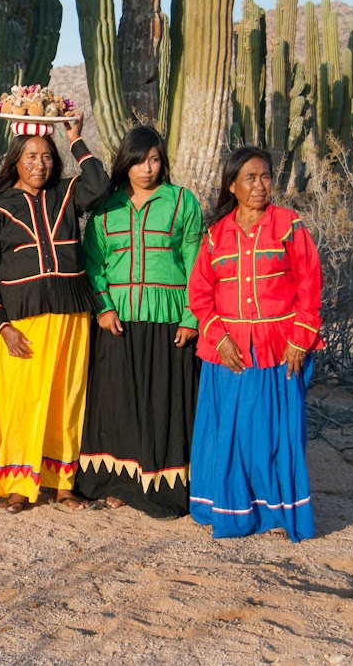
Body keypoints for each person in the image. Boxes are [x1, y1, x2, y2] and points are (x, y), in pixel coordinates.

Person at [0, 114, 110, 513]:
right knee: (25, 401)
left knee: (66, 399)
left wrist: (75, 139)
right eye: (31, 155)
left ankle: (62, 483)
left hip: (70, 316)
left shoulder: (66, 193)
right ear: (15, 158)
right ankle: (19, 484)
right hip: (22, 322)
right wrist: (2, 326)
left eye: (48, 156)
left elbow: (99, 186)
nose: (40, 164)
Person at [187, 147, 323, 542]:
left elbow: (309, 284)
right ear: (233, 185)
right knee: (230, 433)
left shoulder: (288, 224)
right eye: (250, 178)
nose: (260, 186)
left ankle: (277, 514)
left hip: (279, 349)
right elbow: (200, 294)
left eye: (265, 177)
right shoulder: (216, 235)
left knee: (274, 434)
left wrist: (301, 338)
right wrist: (219, 336)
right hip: (227, 351)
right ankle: (231, 510)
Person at [72, 126, 203, 520]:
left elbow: (197, 263)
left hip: (169, 320)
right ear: (125, 163)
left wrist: (191, 316)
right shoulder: (106, 208)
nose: (147, 168)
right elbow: (92, 262)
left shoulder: (182, 202)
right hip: (118, 320)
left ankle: (163, 488)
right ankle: (117, 485)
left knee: (164, 402)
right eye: (139, 160)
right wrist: (104, 308)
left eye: (155, 159)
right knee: (119, 402)